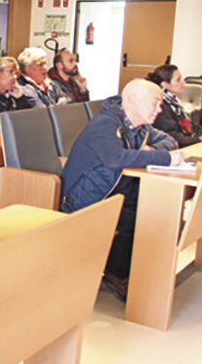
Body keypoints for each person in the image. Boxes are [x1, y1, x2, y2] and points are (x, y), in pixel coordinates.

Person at [60, 79, 183, 300]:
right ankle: (117, 273)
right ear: (134, 100)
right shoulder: (105, 124)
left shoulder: (140, 127)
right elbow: (114, 157)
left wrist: (152, 149)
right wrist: (163, 157)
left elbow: (170, 141)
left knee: (151, 214)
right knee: (135, 215)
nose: (160, 109)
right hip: (87, 194)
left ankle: (122, 272)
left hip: (116, 187)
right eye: (155, 103)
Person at [146, 64, 202, 148]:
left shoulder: (173, 101)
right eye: (178, 80)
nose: (184, 82)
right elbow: (172, 137)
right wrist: (200, 139)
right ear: (165, 84)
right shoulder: (161, 105)